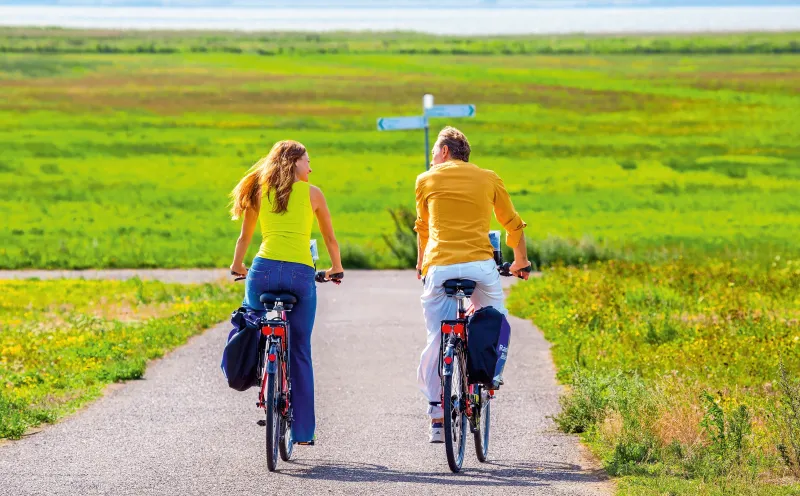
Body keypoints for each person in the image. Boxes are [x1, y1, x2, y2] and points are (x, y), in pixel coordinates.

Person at [414, 126, 531, 443]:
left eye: (434, 153)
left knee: (436, 337)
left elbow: (423, 229)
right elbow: (512, 222)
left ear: (445, 152)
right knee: (495, 318)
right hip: (480, 267)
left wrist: (421, 263)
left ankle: (437, 417)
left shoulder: (425, 180)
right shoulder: (488, 177)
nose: (432, 159)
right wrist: (520, 262)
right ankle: (487, 382)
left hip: (439, 267)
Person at [229, 139, 344, 445]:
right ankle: (304, 432)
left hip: (261, 272)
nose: (310, 166)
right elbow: (330, 239)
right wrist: (336, 268)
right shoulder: (314, 194)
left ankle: (262, 369)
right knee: (300, 351)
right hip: (299, 274)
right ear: (294, 162)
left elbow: (244, 237)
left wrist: (237, 266)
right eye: (307, 160)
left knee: (250, 323)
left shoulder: (258, 191)